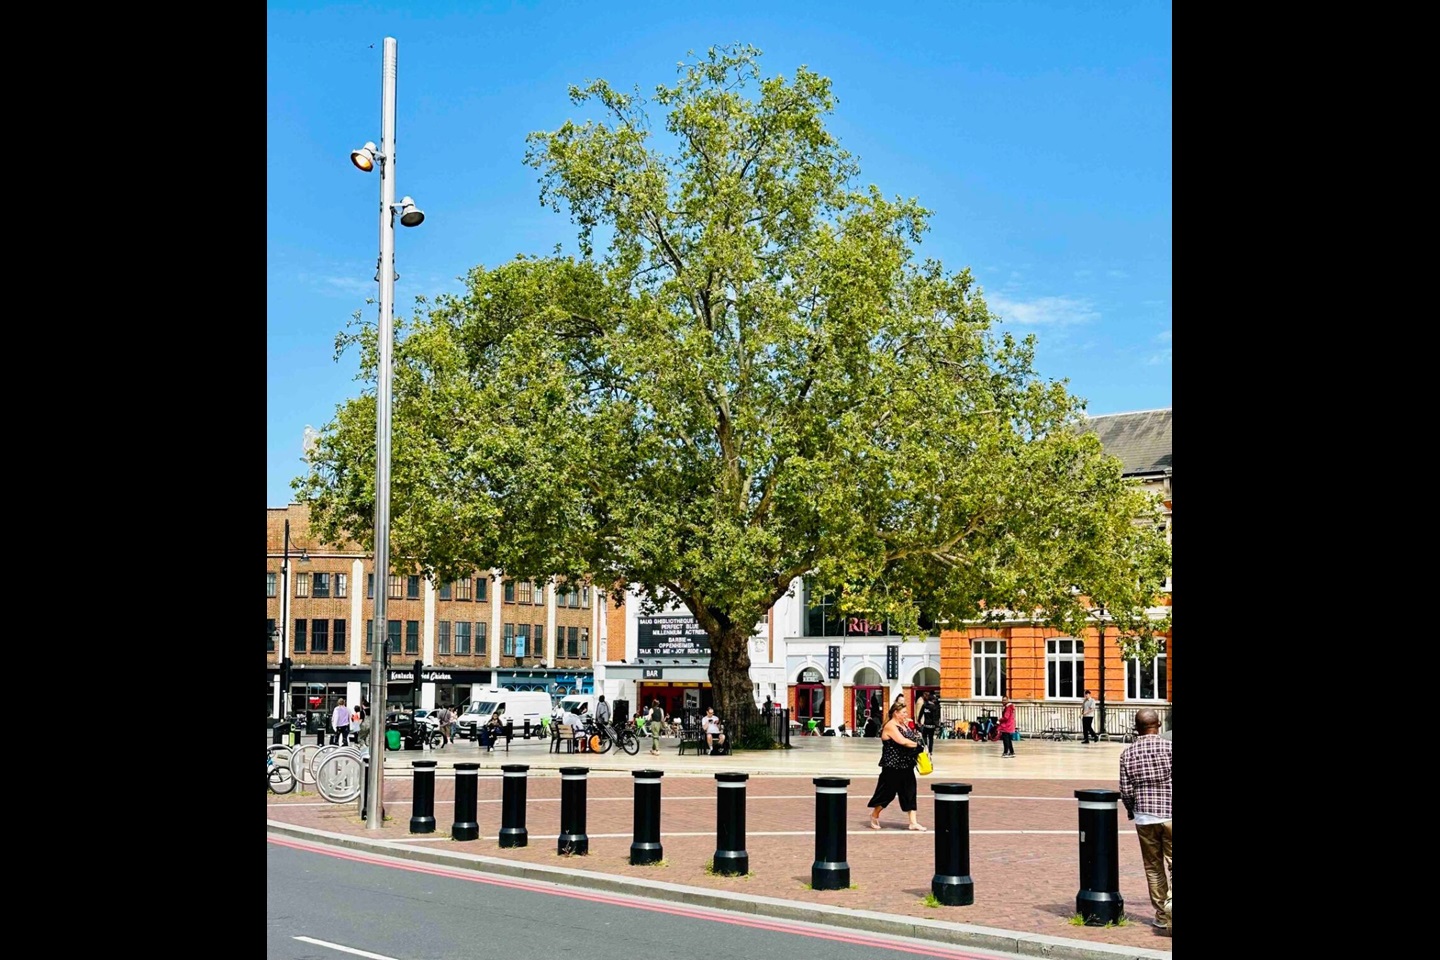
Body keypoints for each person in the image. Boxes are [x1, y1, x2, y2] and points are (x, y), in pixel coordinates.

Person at [1119, 708, 1172, 932]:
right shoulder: (1170, 748)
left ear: (1136, 728)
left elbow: (1126, 791)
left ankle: (1162, 915)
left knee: (1153, 867)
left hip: (1145, 816)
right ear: (1158, 725)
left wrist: (1133, 811)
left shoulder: (1128, 754)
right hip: (1171, 813)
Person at [865, 700, 925, 831]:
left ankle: (913, 822)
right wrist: (918, 746)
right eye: (903, 712)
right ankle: (874, 815)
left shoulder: (904, 725)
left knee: (910, 792)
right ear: (896, 713)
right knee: (887, 794)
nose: (906, 714)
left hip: (906, 765)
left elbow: (912, 738)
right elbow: (902, 741)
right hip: (892, 766)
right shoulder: (890, 726)